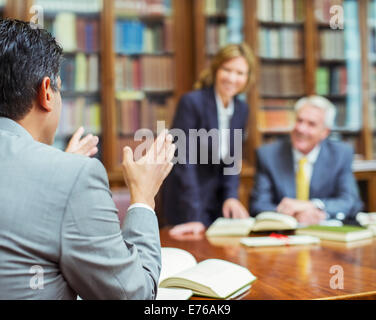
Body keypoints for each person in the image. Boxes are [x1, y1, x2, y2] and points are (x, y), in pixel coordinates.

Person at [0, 19, 175, 299]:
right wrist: (143, 197)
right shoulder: (72, 176)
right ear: (46, 92)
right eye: (59, 88)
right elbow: (132, 295)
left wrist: (56, 181)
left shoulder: (62, 177)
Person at [163, 43, 255, 235]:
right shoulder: (192, 102)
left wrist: (231, 196)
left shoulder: (241, 109)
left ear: (248, 78)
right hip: (186, 199)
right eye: (227, 70)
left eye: (240, 73)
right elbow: (183, 161)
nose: (232, 78)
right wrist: (194, 215)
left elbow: (232, 159)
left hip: (217, 201)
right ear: (216, 70)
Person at [249, 95, 363, 225]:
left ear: (325, 132)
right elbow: (259, 205)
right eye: (299, 120)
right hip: (282, 235)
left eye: (311, 124)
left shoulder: (341, 154)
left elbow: (350, 201)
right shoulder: (268, 155)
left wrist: (312, 206)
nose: (301, 129)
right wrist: (292, 214)